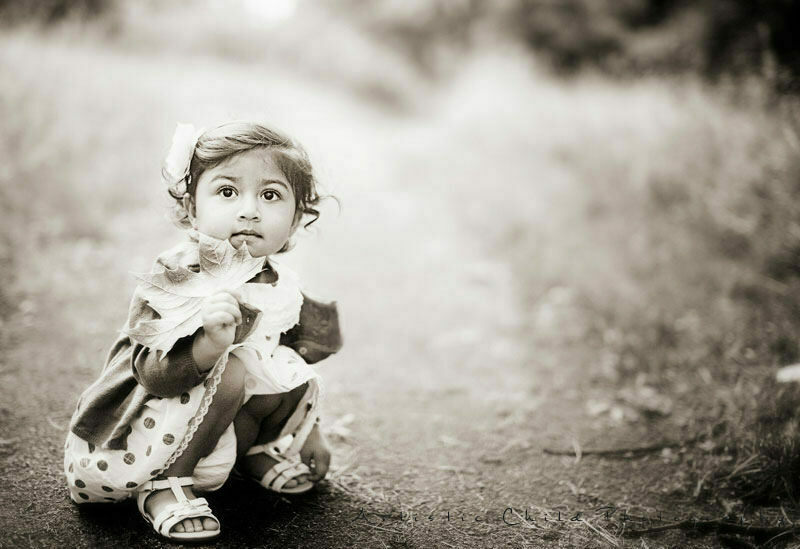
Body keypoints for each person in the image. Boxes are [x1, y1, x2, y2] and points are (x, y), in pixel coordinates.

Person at [63, 121, 342, 542]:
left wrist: (308, 430)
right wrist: (209, 346)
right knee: (232, 368)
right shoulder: (178, 276)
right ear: (192, 208)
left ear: (296, 218)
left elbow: (302, 356)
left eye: (270, 195)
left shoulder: (281, 285)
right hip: (149, 427)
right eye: (227, 192)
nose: (249, 210)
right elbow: (153, 376)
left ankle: (252, 452)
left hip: (219, 425)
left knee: (286, 364)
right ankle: (165, 485)